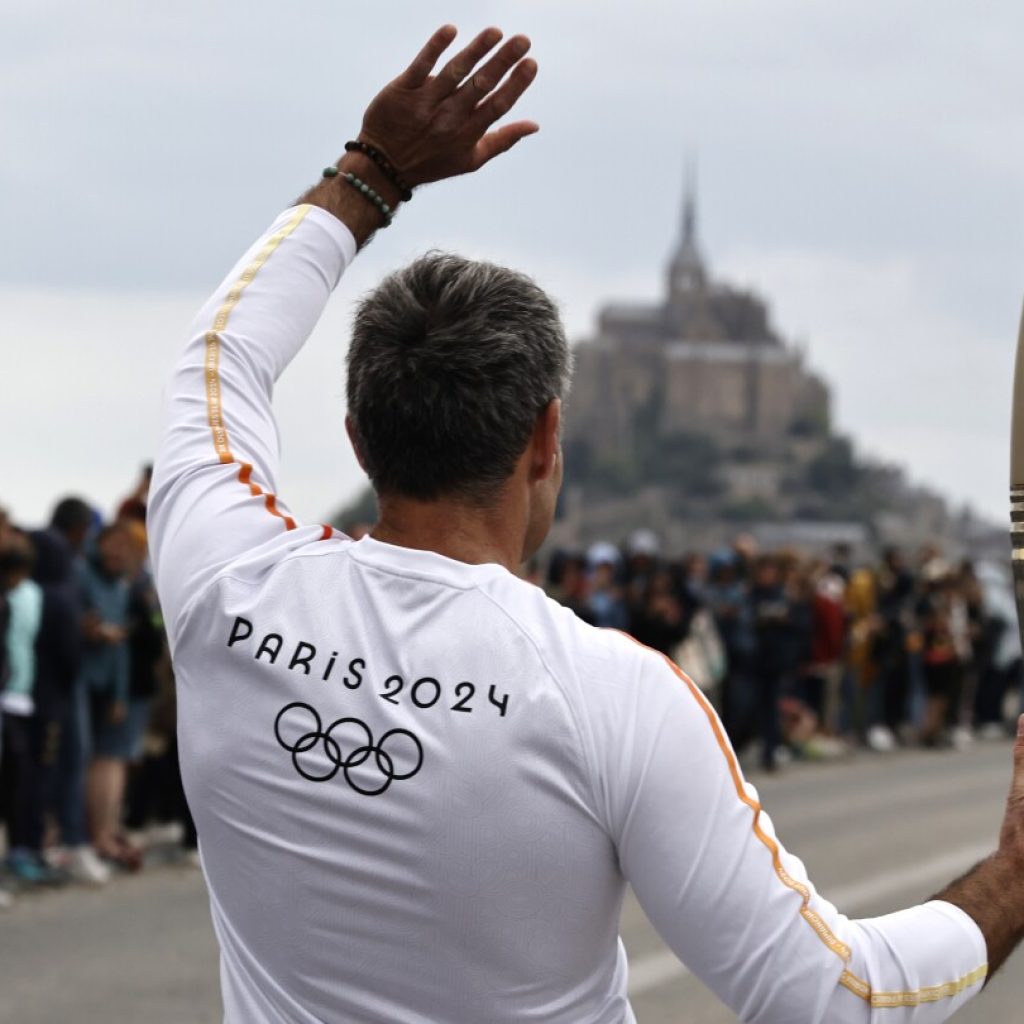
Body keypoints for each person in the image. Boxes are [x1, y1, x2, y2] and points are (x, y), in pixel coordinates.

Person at [149, 25, 1022, 1023]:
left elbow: (217, 360)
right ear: (545, 437)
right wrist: (1013, 876)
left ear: (357, 438)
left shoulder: (225, 582)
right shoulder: (617, 695)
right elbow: (836, 995)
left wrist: (370, 170)